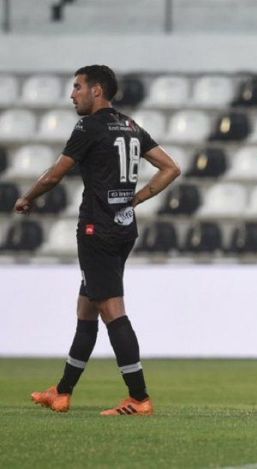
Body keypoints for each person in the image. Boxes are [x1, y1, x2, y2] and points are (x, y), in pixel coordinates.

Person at [14, 65, 181, 416]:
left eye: (77, 87)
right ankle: (62, 392)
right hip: (123, 227)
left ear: (97, 90)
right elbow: (170, 168)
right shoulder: (131, 126)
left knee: (111, 310)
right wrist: (138, 199)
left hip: (96, 230)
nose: (72, 94)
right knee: (86, 309)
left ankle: (139, 397)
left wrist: (27, 197)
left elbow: (55, 174)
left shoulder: (88, 127)